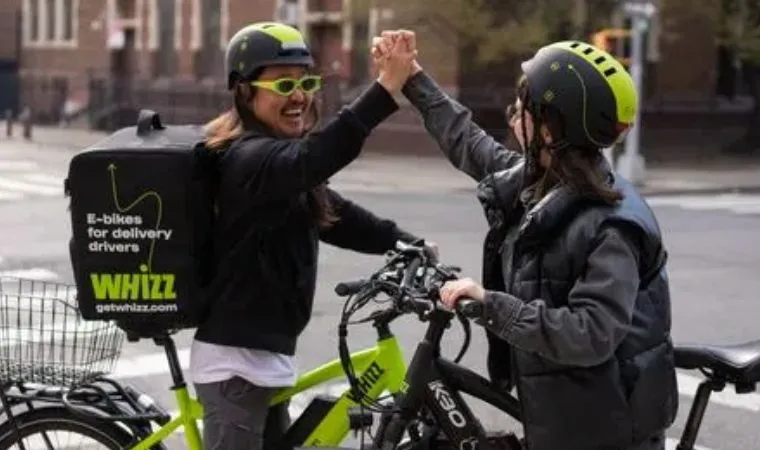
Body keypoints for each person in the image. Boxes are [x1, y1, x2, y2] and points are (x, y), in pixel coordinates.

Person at [372, 32, 679, 450]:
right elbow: (467, 141)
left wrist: (491, 305)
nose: (514, 113)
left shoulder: (612, 226)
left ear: (551, 130)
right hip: (563, 413)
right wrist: (412, 78)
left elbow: (591, 333)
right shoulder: (539, 181)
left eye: (525, 106)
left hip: (605, 428)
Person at [189, 22, 432, 450]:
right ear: (245, 92)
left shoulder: (277, 164)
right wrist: (384, 90)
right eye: (284, 85)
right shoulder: (248, 159)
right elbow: (318, 156)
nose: (299, 96)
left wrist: (405, 243)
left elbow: (335, 215)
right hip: (235, 368)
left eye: (306, 83)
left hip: (266, 357)